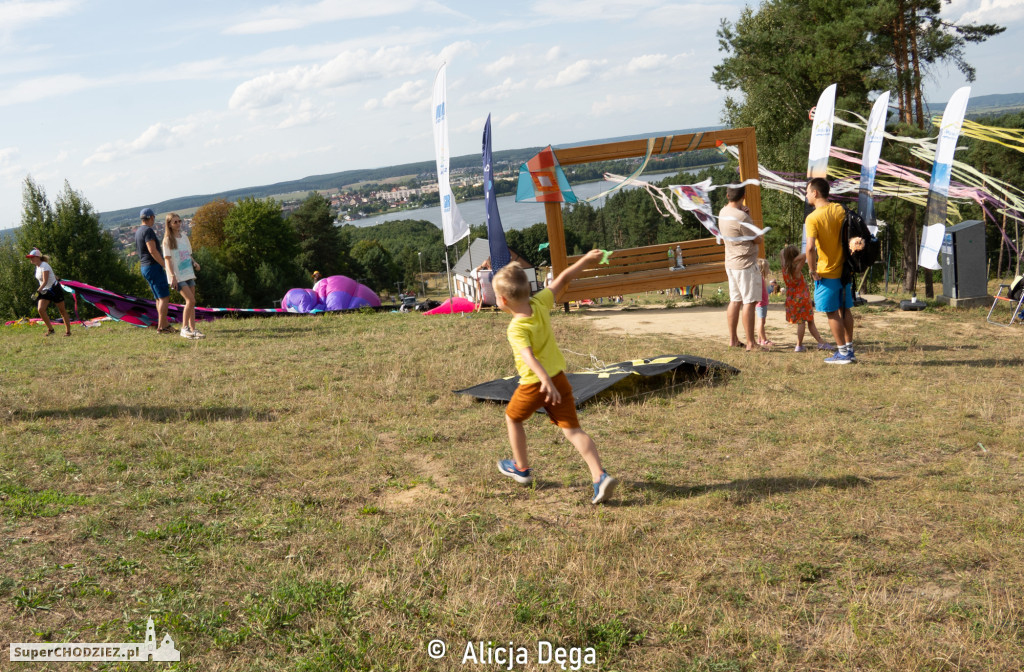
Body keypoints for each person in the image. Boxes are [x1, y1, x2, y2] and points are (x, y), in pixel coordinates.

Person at [492, 250, 617, 504]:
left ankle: (521, 468)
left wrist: (543, 381)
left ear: (503, 300)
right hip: (559, 379)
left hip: (534, 384)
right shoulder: (540, 304)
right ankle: (599, 476)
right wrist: (586, 261)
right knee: (572, 430)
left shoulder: (516, 327)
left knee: (512, 418)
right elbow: (564, 279)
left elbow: (528, 357)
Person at [805, 178, 855, 364]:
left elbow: (810, 248)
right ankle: (849, 349)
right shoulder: (840, 209)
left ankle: (842, 353)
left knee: (832, 312)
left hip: (827, 272)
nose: (807, 195)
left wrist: (811, 269)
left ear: (815, 193)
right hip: (845, 270)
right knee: (845, 309)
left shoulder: (813, 218)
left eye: (808, 191)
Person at [719, 184, 765, 350]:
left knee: (735, 300)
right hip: (745, 264)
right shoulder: (741, 217)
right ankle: (751, 343)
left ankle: (733, 339)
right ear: (743, 196)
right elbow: (757, 239)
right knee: (749, 302)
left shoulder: (723, 212)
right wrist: (749, 217)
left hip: (730, 262)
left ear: (727, 195)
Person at [780, 244, 834, 353]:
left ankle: (821, 342)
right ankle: (799, 345)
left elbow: (782, 252)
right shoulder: (795, 270)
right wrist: (794, 259)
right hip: (802, 299)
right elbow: (805, 256)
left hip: (792, 299)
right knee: (803, 322)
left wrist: (788, 259)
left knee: (809, 321)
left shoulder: (784, 268)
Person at [162, 213, 204, 340]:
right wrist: (172, 276)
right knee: (190, 301)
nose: (178, 224)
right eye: (175, 222)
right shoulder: (167, 240)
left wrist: (194, 263)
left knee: (191, 303)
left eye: (179, 221)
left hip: (188, 273)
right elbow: (168, 260)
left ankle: (193, 329)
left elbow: (188, 255)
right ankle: (184, 328)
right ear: (169, 224)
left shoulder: (184, 237)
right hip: (178, 276)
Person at [136, 208, 172, 333]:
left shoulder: (139, 230)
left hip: (145, 267)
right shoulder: (148, 230)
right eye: (154, 218)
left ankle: (165, 324)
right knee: (164, 297)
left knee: (158, 297)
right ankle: (162, 327)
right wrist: (164, 265)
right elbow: (152, 250)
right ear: (151, 217)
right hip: (153, 266)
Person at [25, 248, 72, 337]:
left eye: (32, 257)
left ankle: (68, 332)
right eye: (30, 257)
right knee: (40, 310)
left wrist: (37, 292)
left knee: (62, 311)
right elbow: (48, 277)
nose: (31, 259)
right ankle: (51, 330)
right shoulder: (38, 267)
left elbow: (45, 281)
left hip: (54, 289)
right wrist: (55, 277)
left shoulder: (44, 265)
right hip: (45, 290)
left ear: (38, 257)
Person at [755, 258, 773, 348]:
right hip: (761, 304)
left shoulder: (761, 278)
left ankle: (759, 339)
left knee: (762, 321)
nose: (768, 270)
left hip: (763, 303)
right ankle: (764, 340)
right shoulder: (759, 279)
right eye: (767, 268)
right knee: (761, 322)